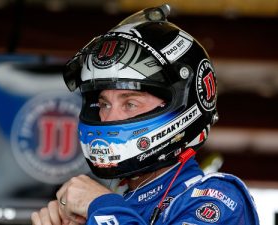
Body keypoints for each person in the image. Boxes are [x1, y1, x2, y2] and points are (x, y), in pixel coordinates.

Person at [31, 4, 260, 225]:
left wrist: (101, 206)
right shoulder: (118, 206)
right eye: (103, 104)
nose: (108, 119)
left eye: (130, 103)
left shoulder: (216, 198)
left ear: (181, 107)